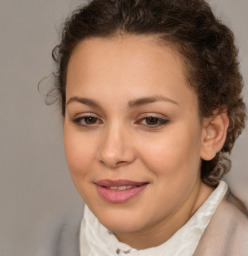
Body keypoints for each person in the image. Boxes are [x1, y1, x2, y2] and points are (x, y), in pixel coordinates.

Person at [50, 0, 248, 255]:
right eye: (88, 119)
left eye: (151, 120)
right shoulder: (57, 243)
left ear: (211, 132)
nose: (111, 154)